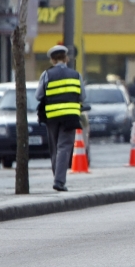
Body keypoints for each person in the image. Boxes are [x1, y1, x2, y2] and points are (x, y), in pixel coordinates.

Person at [35, 45, 86, 192]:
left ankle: (57, 177)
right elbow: (83, 96)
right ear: (66, 58)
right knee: (64, 148)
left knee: (54, 148)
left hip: (52, 117)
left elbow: (38, 96)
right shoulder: (76, 75)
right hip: (70, 117)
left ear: (52, 60)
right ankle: (59, 181)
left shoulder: (47, 74)